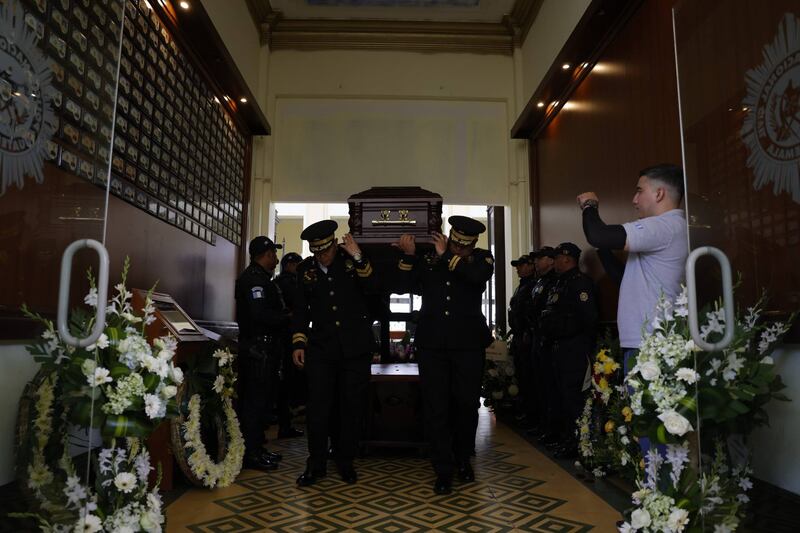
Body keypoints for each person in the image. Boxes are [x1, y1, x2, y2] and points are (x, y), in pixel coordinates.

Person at [393, 216, 494, 495]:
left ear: (473, 244)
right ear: (450, 237)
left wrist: (448, 255)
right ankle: (443, 468)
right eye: (456, 244)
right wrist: (410, 256)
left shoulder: (482, 259)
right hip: (433, 344)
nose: (460, 249)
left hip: (468, 345)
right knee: (436, 407)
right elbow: (404, 286)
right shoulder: (430, 258)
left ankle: (463, 459)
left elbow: (475, 277)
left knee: (466, 404)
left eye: (465, 246)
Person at [291, 221, 379, 486]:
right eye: (317, 253)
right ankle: (316, 463)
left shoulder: (353, 261)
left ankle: (345, 462)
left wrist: (359, 256)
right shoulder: (306, 270)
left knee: (350, 408)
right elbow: (300, 309)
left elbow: (375, 289)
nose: (322, 257)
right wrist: (298, 342)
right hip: (321, 350)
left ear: (333, 244)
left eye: (326, 251)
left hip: (355, 349)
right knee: (318, 409)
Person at [576, 163, 687, 362]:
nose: (634, 200)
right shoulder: (668, 228)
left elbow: (597, 234)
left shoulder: (664, 226)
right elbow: (623, 278)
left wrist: (589, 205)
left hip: (653, 343)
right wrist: (603, 245)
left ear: (659, 193)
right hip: (646, 341)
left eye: (639, 191)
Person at [235, 236, 290, 471]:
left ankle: (257, 447)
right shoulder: (253, 280)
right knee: (254, 404)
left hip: (266, 348)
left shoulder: (263, 279)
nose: (276, 259)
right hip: (258, 349)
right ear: (265, 255)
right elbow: (259, 315)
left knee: (262, 402)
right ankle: (251, 454)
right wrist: (287, 317)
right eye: (273, 255)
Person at [538, 243, 597, 459]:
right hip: (558, 347)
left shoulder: (579, 283)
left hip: (573, 349)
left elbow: (587, 318)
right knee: (560, 395)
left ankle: (577, 443)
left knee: (573, 398)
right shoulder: (559, 283)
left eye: (557, 258)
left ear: (567, 259)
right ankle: (566, 438)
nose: (554, 262)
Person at [524, 246, 558, 438]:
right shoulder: (540, 281)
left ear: (551, 260)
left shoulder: (554, 282)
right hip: (535, 335)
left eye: (540, 258)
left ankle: (552, 428)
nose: (536, 262)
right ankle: (543, 423)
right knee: (539, 384)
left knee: (549, 386)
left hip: (547, 338)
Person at [274, 252, 305, 439]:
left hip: (283, 338)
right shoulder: (290, 283)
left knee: (285, 383)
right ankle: (285, 424)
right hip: (289, 338)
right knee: (288, 382)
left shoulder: (278, 282)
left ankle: (285, 422)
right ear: (290, 265)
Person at [508, 254, 536, 422]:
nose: (517, 268)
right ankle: (524, 410)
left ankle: (530, 413)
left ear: (530, 266)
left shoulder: (532, 286)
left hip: (527, 337)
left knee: (528, 378)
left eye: (521, 265)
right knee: (522, 376)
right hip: (519, 336)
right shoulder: (522, 286)